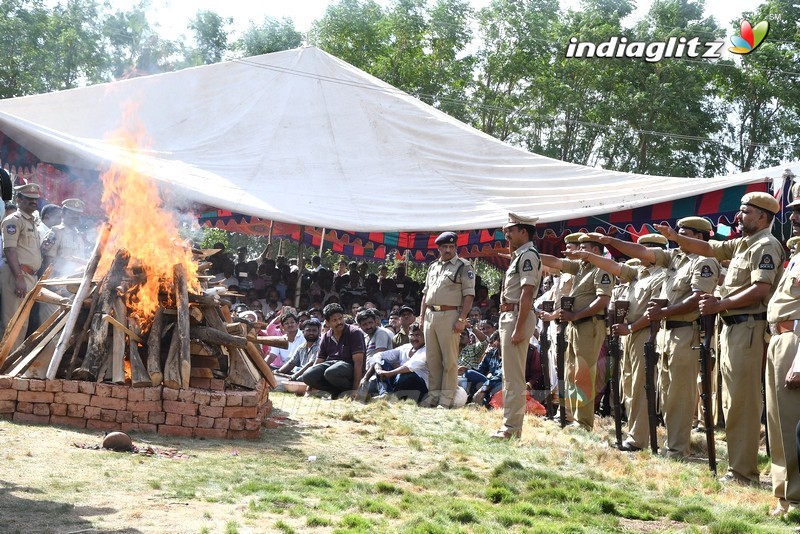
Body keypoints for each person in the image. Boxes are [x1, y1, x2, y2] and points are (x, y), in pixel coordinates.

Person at [657, 192, 784, 484]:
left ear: (762, 216)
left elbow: (760, 290)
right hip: (733, 328)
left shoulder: (766, 245)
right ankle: (736, 467)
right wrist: (676, 237)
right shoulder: (742, 243)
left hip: (750, 327)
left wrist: (718, 304)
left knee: (743, 402)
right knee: (729, 402)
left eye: (745, 212)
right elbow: (708, 247)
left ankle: (743, 472)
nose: (739, 217)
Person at [565, 233, 670, 452]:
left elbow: (654, 312)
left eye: (641, 249)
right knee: (629, 386)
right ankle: (633, 434)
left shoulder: (662, 275)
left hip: (644, 332)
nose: (635, 253)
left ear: (655, 251)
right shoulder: (639, 273)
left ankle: (638, 438)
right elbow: (614, 267)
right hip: (628, 333)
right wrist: (587, 254)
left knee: (641, 387)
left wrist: (630, 327)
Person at [540, 233, 613, 431]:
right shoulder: (581, 267)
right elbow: (555, 261)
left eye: (584, 248)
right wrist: (528, 254)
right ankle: (573, 418)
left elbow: (603, 300)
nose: (579, 252)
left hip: (589, 324)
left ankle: (584, 423)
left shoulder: (601, 269)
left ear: (596, 250)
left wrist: (577, 314)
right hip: (575, 325)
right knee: (571, 372)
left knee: (584, 374)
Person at [490, 213, 541, 439]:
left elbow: (527, 293)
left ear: (524, 231)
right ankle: (509, 425)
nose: (507, 234)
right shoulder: (519, 255)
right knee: (509, 375)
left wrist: (519, 328)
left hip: (517, 316)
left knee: (514, 377)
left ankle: (512, 428)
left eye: (510, 230)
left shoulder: (528, 255)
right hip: (511, 316)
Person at [766, 196, 800, 517]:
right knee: (777, 422)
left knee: (791, 422)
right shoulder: (796, 255)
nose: (794, 216)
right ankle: (784, 495)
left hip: (795, 341)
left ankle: (797, 496)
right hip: (779, 338)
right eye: (794, 211)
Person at [419, 231, 476, 408]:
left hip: (450, 315)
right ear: (439, 248)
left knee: (449, 361)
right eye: (445, 247)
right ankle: (433, 395)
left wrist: (462, 319)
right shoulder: (433, 266)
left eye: (452, 246)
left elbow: (469, 296)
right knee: (432, 358)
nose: (448, 250)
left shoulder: (463, 266)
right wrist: (421, 317)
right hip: (430, 315)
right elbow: (425, 294)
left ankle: (446, 400)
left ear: (456, 247)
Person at [1, 183, 44, 346]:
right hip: (17, 275)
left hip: (30, 276)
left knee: (22, 322)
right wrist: (19, 278)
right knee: (11, 323)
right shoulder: (13, 220)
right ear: (18, 199)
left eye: (35, 199)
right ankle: (4, 365)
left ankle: (12, 364)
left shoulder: (32, 222)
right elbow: (10, 250)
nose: (34, 202)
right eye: (29, 199)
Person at [39, 198, 89, 324]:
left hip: (73, 288)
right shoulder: (56, 232)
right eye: (72, 214)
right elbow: (48, 261)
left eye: (78, 215)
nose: (76, 217)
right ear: (63, 214)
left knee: (66, 328)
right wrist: (52, 286)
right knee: (50, 327)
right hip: (57, 287)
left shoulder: (78, 235)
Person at [301, 303, 366, 399]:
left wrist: (355, 390)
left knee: (331, 372)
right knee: (308, 375)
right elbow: (319, 361)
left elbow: (359, 363)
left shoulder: (354, 332)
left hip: (348, 369)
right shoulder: (326, 336)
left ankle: (348, 392)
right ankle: (335, 392)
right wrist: (309, 387)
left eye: (340, 318)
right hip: (332, 366)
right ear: (327, 323)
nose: (339, 322)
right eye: (334, 320)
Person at [373, 323, 428, 403]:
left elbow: (410, 367)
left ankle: (395, 397)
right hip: (399, 381)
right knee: (382, 362)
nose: (414, 338)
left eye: (418, 335)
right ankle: (385, 393)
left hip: (419, 385)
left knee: (407, 374)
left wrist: (390, 373)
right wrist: (378, 367)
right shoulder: (405, 347)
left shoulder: (426, 350)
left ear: (424, 336)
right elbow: (379, 355)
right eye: (412, 335)